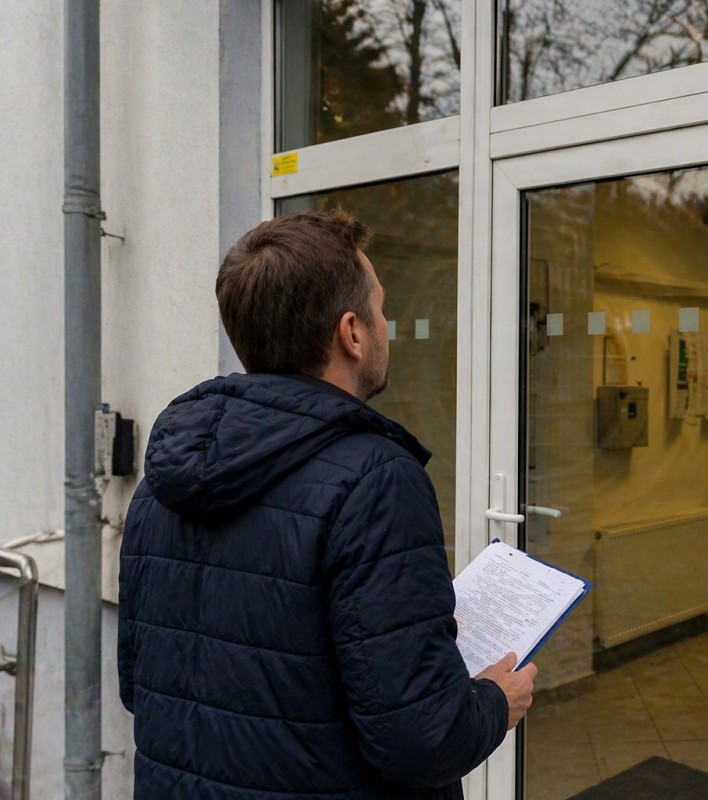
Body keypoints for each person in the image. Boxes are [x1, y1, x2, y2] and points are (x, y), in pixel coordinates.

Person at [117, 210, 536, 799]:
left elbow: (141, 686)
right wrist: (495, 701)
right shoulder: (376, 478)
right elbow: (422, 740)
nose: (386, 326)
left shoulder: (163, 479)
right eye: (381, 308)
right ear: (352, 333)